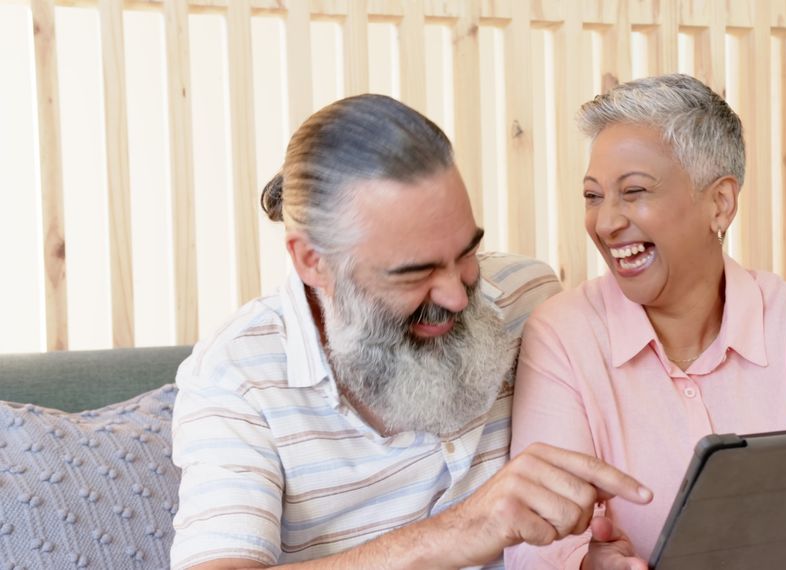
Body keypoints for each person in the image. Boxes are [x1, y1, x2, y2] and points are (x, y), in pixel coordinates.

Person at [169, 94, 654, 570]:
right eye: (415, 272)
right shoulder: (236, 375)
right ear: (313, 261)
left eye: (466, 253)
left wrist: (586, 561)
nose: (456, 296)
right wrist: (462, 530)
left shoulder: (529, 295)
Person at [506, 74, 786, 570]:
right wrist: (589, 565)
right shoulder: (562, 334)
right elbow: (534, 549)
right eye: (593, 196)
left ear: (720, 203)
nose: (605, 223)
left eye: (634, 191)